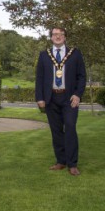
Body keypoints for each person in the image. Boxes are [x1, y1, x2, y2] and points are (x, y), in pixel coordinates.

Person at [35, 27, 87, 176]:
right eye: (55, 34)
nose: (57, 37)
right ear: (51, 37)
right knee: (56, 131)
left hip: (69, 98)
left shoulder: (75, 54)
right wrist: (40, 97)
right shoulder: (44, 55)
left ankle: (72, 164)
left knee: (70, 127)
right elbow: (39, 78)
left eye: (60, 34)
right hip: (51, 98)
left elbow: (82, 76)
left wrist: (77, 95)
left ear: (65, 37)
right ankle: (61, 161)